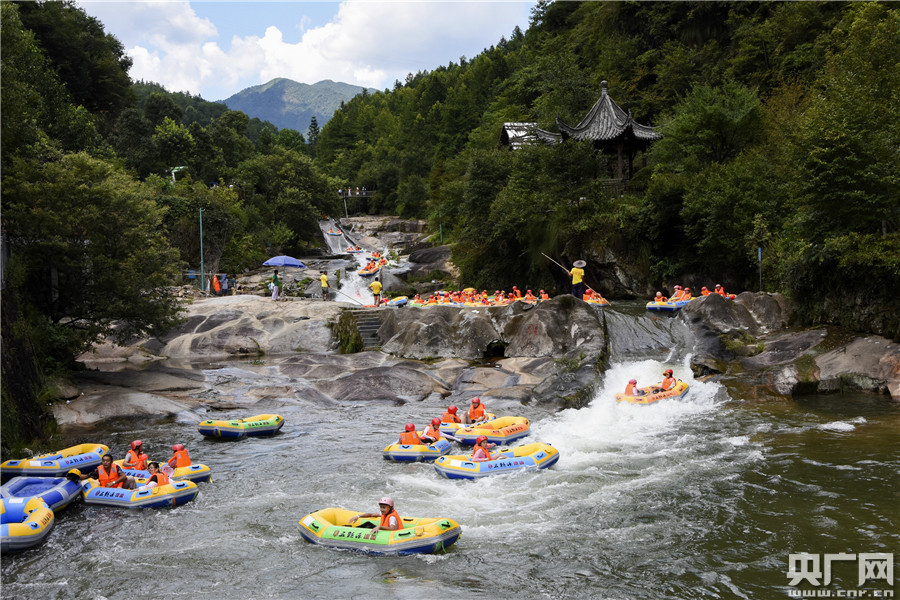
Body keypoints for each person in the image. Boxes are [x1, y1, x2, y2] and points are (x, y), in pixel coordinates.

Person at [67, 454, 136, 489]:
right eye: (104, 461)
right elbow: (86, 476)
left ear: (111, 462)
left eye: (107, 461)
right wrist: (75, 475)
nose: (105, 462)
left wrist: (112, 483)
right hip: (105, 489)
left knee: (130, 478)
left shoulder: (116, 467)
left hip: (119, 487)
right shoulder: (98, 470)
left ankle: (135, 493)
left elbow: (123, 477)